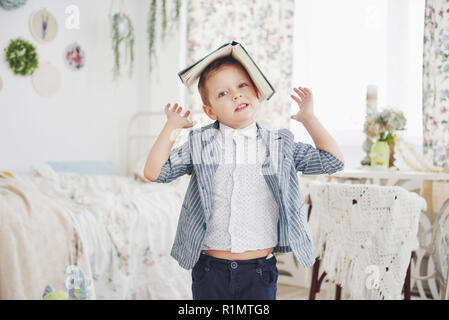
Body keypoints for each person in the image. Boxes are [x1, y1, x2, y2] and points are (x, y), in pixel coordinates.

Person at [143, 56, 344, 300]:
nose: (236, 95)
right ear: (210, 111)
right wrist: (172, 127)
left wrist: (309, 118)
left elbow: (333, 160)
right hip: (209, 270)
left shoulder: (280, 145)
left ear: (257, 92)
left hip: (259, 271)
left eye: (242, 86)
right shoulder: (200, 143)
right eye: (223, 94)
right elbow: (155, 172)